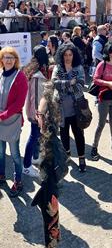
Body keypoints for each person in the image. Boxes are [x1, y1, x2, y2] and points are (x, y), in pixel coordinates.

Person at [32, 82, 64, 247]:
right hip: (53, 186)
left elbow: (46, 182)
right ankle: (55, 238)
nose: (37, 116)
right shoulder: (54, 140)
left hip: (50, 193)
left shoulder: (47, 145)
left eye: (39, 113)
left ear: (45, 118)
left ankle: (52, 243)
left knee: (50, 214)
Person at [52, 44, 88, 172]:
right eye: (65, 55)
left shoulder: (78, 68)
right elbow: (54, 84)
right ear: (61, 56)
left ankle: (82, 158)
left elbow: (81, 85)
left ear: (74, 55)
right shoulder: (58, 67)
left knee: (79, 134)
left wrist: (64, 85)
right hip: (61, 109)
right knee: (64, 135)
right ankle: (67, 156)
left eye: (70, 54)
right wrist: (70, 82)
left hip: (76, 108)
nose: (68, 57)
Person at [0, 46, 28, 193]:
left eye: (11, 57)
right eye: (6, 57)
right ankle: (2, 175)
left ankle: (18, 181)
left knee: (15, 154)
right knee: (0, 151)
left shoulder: (20, 77)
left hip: (12, 120)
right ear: (2, 60)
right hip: (0, 120)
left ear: (15, 60)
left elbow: (19, 103)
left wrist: (3, 115)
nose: (8, 60)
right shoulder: (0, 74)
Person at [91, 42, 112, 161]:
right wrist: (107, 83)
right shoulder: (102, 64)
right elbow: (95, 79)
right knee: (101, 124)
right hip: (103, 98)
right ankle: (94, 147)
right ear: (110, 52)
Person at [22, 46, 50, 179]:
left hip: (35, 110)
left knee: (35, 136)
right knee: (33, 137)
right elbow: (36, 97)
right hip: (36, 112)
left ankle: (33, 158)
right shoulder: (37, 75)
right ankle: (26, 166)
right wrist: (38, 115)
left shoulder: (34, 69)